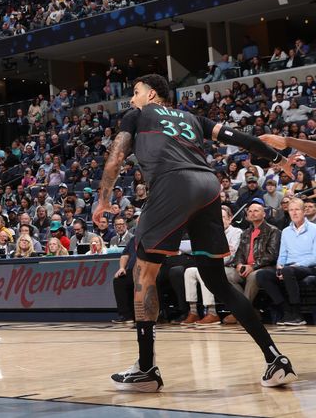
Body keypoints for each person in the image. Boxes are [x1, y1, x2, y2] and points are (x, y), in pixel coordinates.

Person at [94, 74, 296, 391]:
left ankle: (146, 369)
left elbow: (117, 154)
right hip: (208, 186)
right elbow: (237, 137)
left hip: (172, 185)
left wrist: (103, 199)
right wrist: (278, 158)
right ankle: (275, 359)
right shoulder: (192, 118)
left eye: (135, 92)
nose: (132, 99)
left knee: (143, 275)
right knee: (217, 281)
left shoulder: (138, 115)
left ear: (151, 94)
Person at [254, 197, 316, 325]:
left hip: (308, 267)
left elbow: (314, 257)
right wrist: (279, 267)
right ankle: (286, 310)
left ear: (304, 211)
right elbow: (282, 254)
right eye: (291, 210)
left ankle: (298, 314)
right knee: (261, 275)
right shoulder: (286, 231)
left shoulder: (314, 229)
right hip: (288, 268)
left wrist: (295, 265)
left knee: (288, 270)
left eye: (297, 210)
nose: (294, 213)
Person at [179, 205, 243, 325]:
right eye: (217, 217)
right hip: (214, 264)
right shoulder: (212, 232)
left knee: (206, 271)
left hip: (230, 266)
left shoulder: (236, 232)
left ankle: (212, 312)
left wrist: (211, 262)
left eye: (223, 217)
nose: (220, 220)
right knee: (189, 271)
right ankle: (193, 311)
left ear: (230, 219)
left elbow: (232, 255)